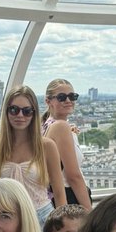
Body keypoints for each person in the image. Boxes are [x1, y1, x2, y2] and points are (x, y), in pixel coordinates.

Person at [0, 86, 65, 232]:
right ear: (6, 112)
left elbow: (59, 192)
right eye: (14, 110)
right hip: (5, 221)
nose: (20, 115)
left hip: (42, 220)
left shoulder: (46, 146)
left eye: (27, 111)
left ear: (34, 114)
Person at [41, 78, 92, 209]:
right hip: (70, 197)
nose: (68, 101)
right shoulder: (60, 127)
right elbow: (73, 176)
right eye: (62, 97)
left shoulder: (46, 125)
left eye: (72, 96)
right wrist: (89, 214)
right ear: (48, 101)